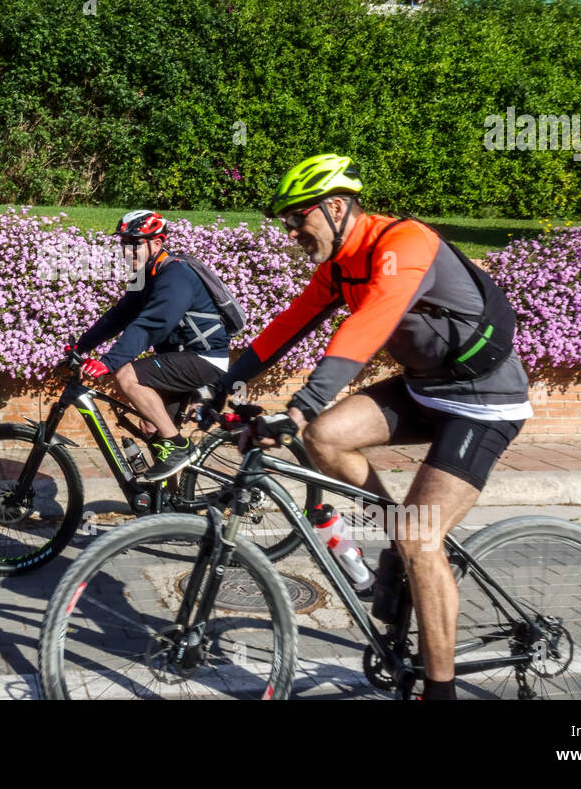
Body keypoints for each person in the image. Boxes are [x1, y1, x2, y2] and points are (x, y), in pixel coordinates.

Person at [200, 153, 532, 700]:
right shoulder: (338, 265)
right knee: (324, 437)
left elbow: (369, 323)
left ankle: (440, 690)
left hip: (484, 399)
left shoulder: (406, 243)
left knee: (420, 537)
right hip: (425, 387)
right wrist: (224, 384)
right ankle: (400, 539)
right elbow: (288, 325)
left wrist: (303, 402)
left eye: (297, 217)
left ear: (334, 207)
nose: (291, 231)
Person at [68, 210, 232, 481]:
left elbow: (152, 324)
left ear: (157, 243)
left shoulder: (175, 274)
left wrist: (108, 362)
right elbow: (119, 316)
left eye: (134, 244)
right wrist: (80, 347)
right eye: (124, 244)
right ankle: (173, 505)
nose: (128, 251)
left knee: (126, 374)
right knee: (150, 426)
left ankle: (179, 447)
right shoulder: (147, 275)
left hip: (203, 359)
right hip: (181, 358)